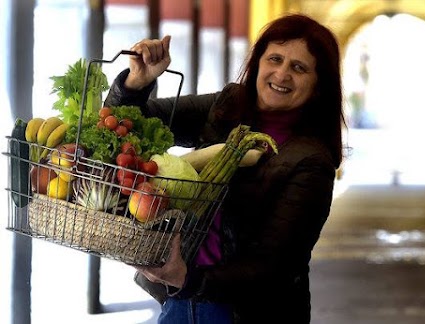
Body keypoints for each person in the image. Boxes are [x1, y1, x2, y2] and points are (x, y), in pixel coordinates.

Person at [104, 13, 345, 324]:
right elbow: (130, 126)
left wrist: (189, 279)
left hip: (244, 313)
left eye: (299, 68)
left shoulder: (311, 162)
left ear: (317, 87)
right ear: (258, 63)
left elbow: (275, 265)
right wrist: (138, 82)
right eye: (275, 59)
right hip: (183, 300)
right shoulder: (228, 105)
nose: (282, 74)